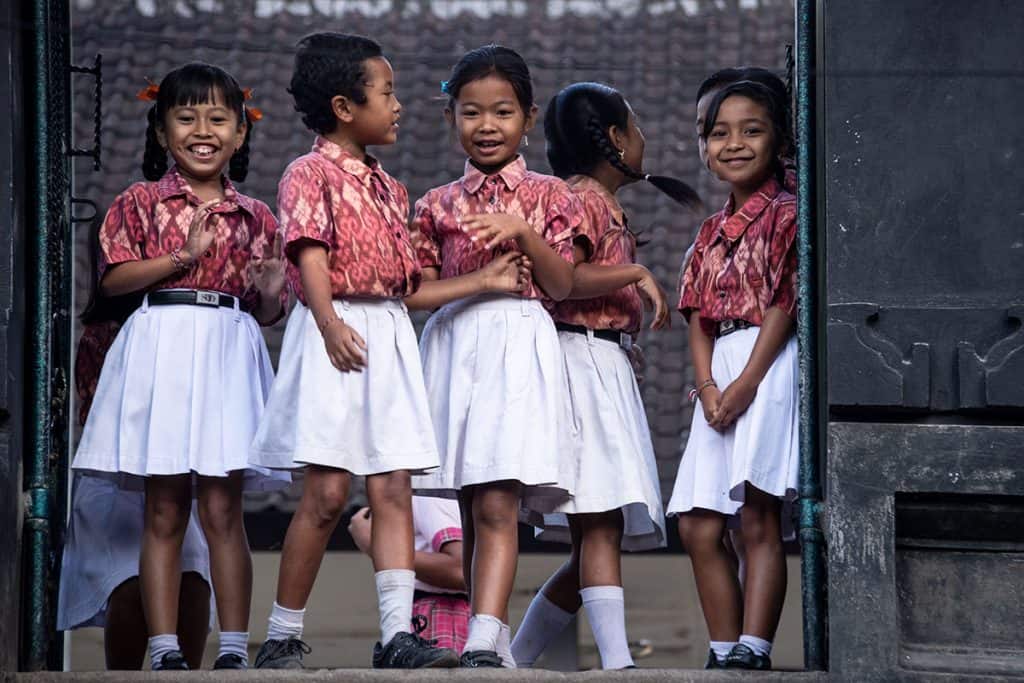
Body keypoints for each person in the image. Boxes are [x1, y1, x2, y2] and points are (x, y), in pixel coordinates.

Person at [70, 62, 288, 670]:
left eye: (218, 118)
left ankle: (236, 648)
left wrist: (271, 290)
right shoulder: (138, 203)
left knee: (223, 507)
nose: (203, 129)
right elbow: (114, 279)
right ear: (163, 130)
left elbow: (269, 309)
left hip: (226, 349)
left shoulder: (258, 216)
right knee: (164, 504)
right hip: (162, 340)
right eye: (186, 117)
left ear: (240, 133)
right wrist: (180, 257)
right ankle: (164, 648)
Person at [667, 79, 799, 670]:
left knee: (756, 513)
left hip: (766, 364)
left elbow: (783, 303)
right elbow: (695, 316)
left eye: (751, 130)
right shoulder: (708, 232)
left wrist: (745, 383)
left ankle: (754, 647)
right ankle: (722, 649)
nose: (734, 144)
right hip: (717, 371)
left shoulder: (788, 212)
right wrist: (710, 387)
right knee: (697, 523)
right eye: (718, 133)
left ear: (778, 137)